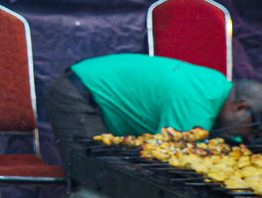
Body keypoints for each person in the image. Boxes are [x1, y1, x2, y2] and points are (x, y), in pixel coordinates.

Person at [46, 54, 261, 167]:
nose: (249, 137)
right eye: (253, 130)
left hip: (93, 95)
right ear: (241, 107)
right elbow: (172, 155)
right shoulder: (195, 101)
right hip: (78, 93)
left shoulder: (218, 86)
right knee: (94, 177)